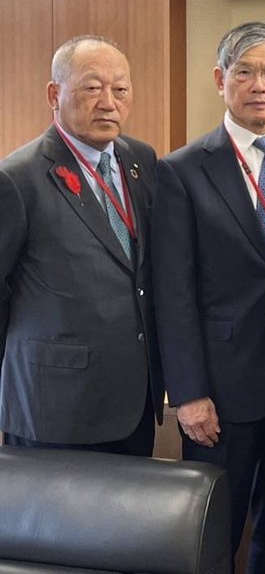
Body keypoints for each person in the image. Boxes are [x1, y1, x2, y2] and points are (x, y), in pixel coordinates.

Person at [152, 22, 265, 572]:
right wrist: (189, 394)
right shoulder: (182, 169)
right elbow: (173, 291)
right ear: (220, 79)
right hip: (222, 389)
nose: (260, 85)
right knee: (213, 533)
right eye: (245, 72)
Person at [0, 35, 161, 454]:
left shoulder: (141, 161)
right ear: (54, 95)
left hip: (133, 399)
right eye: (92, 87)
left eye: (120, 89)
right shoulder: (17, 178)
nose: (108, 102)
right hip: (54, 406)